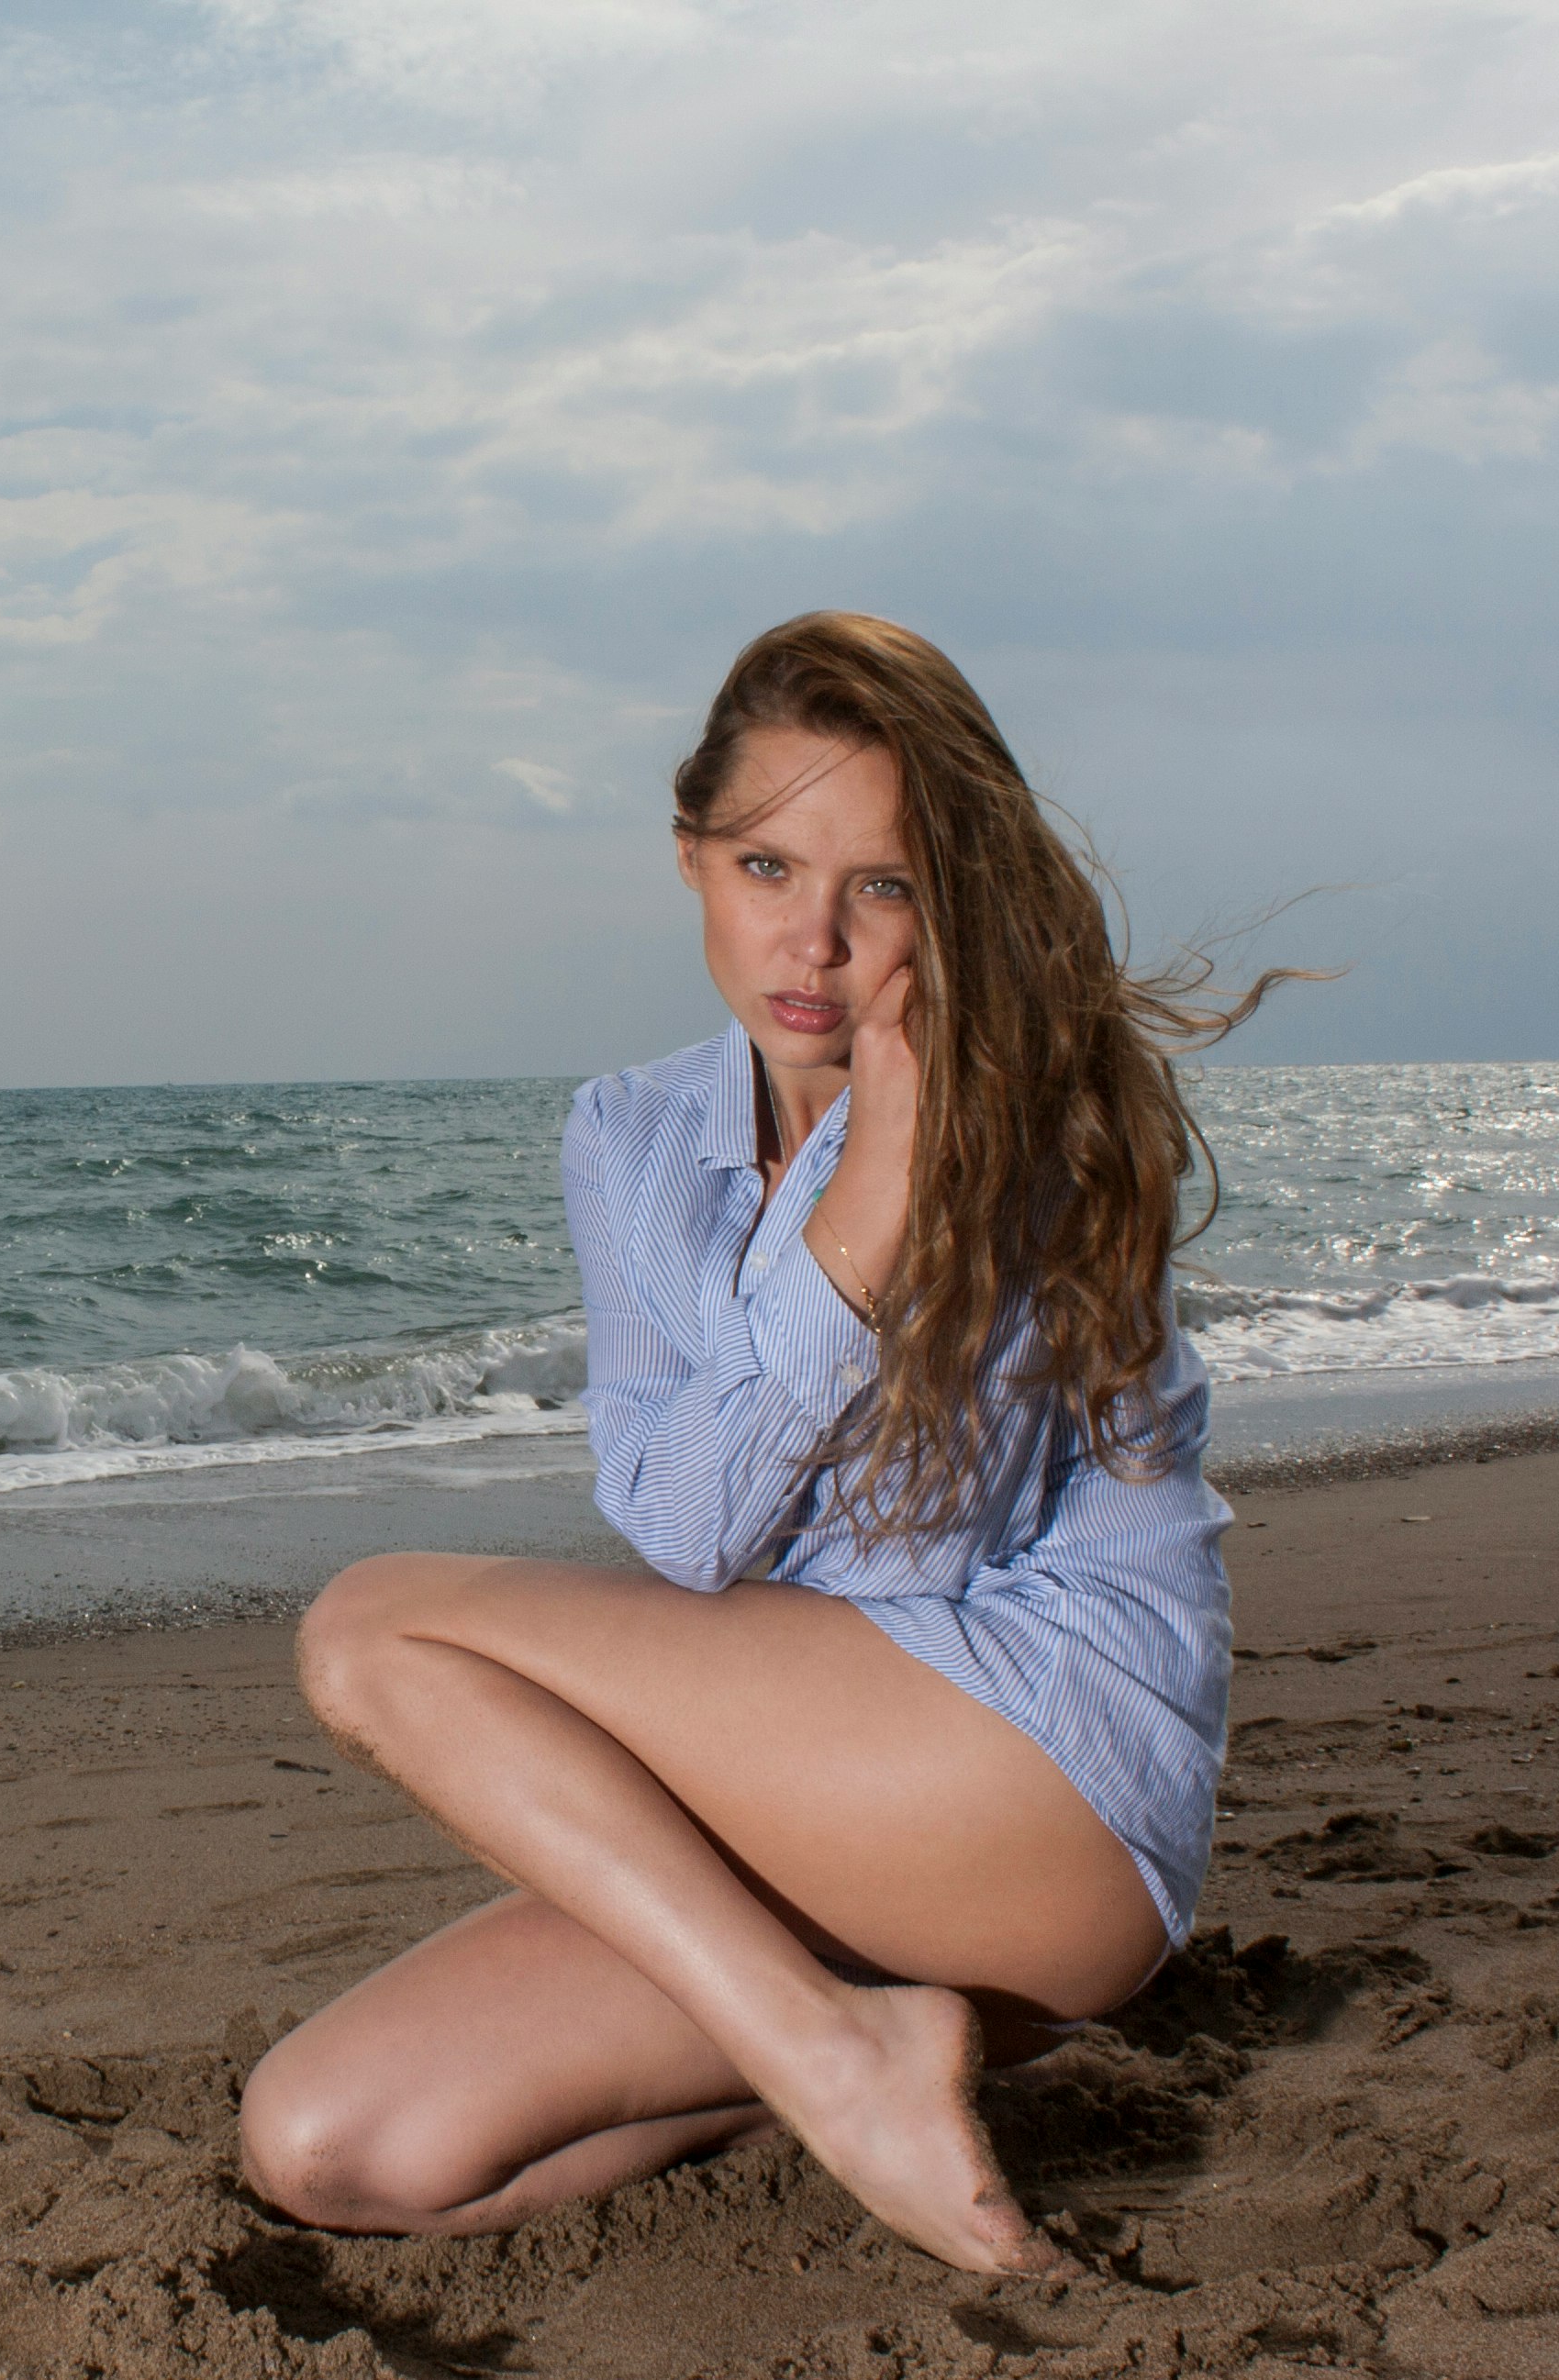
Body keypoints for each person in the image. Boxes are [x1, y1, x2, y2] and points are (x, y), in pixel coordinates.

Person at [236, 611, 1286, 2275]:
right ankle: (833, 2040)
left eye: (881, 885)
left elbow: (904, 1557)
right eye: (766, 866)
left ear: (950, 901)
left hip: (1045, 1785)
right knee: (332, 2140)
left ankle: (833, 2055)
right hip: (841, 1829)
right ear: (690, 859)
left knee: (374, 1626)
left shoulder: (1021, 1128)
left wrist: (868, 1204)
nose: (815, 940)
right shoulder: (632, 1134)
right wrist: (850, 1241)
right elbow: (681, 1524)